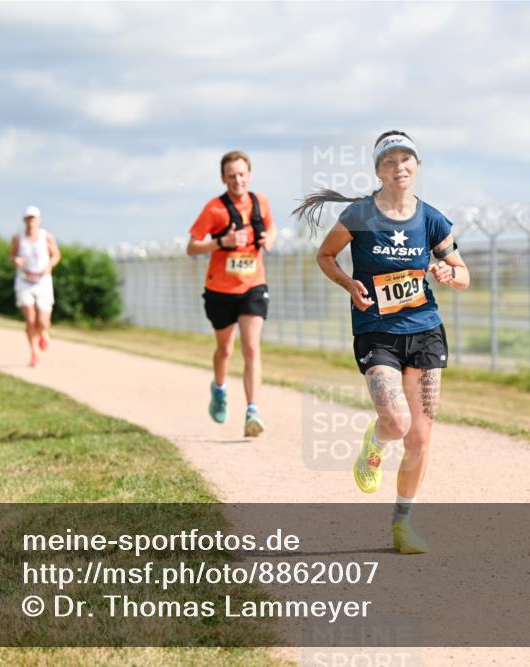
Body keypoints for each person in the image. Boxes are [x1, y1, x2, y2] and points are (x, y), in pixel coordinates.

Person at [294, 131, 470, 554]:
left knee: (420, 437)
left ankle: (402, 525)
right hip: (376, 330)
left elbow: (463, 274)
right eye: (390, 161)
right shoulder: (359, 215)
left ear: (417, 166)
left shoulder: (431, 219)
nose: (399, 167)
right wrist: (348, 284)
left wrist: (448, 273)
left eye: (406, 159)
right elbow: (325, 256)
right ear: (378, 171)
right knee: (396, 421)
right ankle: (374, 443)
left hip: (425, 331)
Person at [187, 151, 277, 437]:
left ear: (249, 175)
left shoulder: (260, 202)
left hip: (253, 285)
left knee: (251, 348)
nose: (237, 180)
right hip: (220, 290)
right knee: (225, 349)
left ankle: (253, 411)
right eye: (231, 176)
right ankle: (219, 389)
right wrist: (221, 242)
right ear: (223, 178)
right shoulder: (214, 209)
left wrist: (269, 239)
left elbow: (272, 228)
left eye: (241, 174)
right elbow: (192, 247)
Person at [10, 205, 60, 368]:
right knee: (30, 320)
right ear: (24, 220)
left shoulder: (46, 236)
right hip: (24, 280)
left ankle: (43, 333)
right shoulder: (18, 238)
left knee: (43, 321)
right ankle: (34, 354)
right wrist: (16, 260)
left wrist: (49, 266)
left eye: (34, 218)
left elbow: (56, 254)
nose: (31, 221)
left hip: (43, 280)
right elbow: (12, 254)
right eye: (29, 218)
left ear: (38, 220)